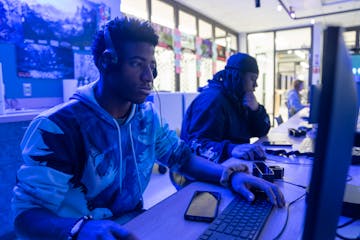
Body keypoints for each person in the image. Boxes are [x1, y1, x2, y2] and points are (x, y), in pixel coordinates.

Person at [12, 17, 284, 240]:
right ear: (107, 62)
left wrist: (228, 176)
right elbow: (25, 217)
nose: (148, 77)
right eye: (137, 64)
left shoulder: (145, 116)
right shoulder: (58, 126)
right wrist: (79, 229)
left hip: (133, 228)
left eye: (151, 66)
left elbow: (182, 159)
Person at [181, 53, 271, 163]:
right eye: (252, 79)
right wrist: (231, 149)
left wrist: (256, 110)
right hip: (209, 169)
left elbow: (261, 132)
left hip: (231, 163)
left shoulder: (239, 97)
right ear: (237, 77)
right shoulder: (212, 100)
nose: (256, 85)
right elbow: (196, 145)